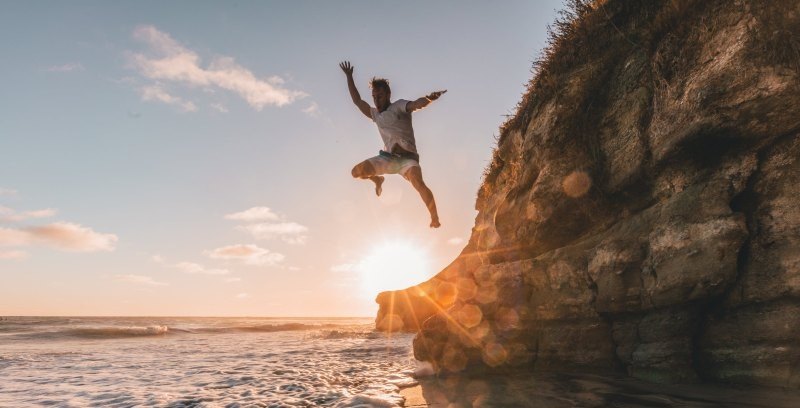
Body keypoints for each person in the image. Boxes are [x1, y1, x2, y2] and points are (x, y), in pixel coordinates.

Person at [339, 60, 445, 228]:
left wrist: (428, 99)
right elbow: (358, 101)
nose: (376, 101)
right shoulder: (375, 114)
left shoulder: (399, 106)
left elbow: (416, 104)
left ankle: (434, 218)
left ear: (388, 94)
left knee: (418, 183)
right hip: (388, 159)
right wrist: (349, 76)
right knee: (355, 172)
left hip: (408, 159)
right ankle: (377, 180)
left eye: (379, 96)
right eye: (374, 97)